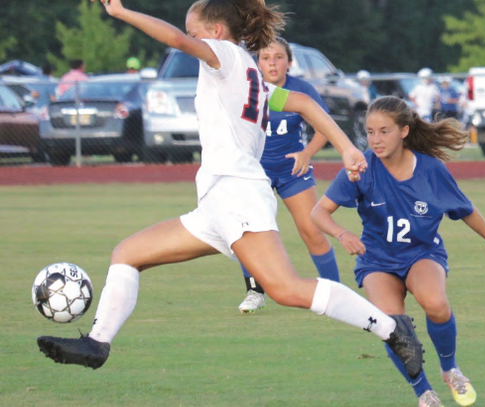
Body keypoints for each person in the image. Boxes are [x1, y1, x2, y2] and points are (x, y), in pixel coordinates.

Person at [36, 0, 424, 381]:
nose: (191, 40)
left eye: (196, 33)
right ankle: (97, 345)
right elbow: (303, 101)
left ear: (217, 33)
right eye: (192, 35)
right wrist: (346, 147)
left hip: (236, 191)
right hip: (216, 202)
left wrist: (121, 12)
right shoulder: (247, 72)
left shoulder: (224, 55)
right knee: (127, 254)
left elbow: (174, 39)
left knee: (286, 289)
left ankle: (391, 329)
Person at [311, 95, 485, 407]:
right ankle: (424, 392)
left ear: (404, 131)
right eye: (369, 132)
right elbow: (318, 213)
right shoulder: (359, 168)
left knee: (436, 304)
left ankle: (450, 369)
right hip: (377, 260)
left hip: (422, 253)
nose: (375, 140)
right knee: (392, 329)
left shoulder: (431, 170)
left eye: (384, 131)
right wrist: (342, 234)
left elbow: (465, 209)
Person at [237, 36, 341, 313]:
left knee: (312, 229)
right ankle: (255, 292)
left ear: (289, 62)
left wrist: (306, 154)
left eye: (279, 57)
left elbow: (325, 127)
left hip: (293, 170)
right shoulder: (249, 89)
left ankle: (335, 292)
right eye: (266, 57)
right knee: (248, 229)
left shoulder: (301, 90)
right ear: (257, 62)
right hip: (255, 171)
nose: (272, 63)